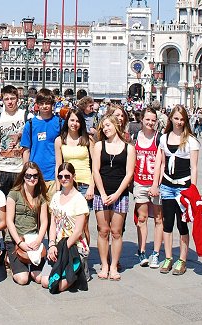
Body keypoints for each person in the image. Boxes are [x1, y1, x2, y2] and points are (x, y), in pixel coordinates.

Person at [149, 105, 199, 275]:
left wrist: (193, 190)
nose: (179, 122)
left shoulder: (191, 140)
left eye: (182, 119)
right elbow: (161, 163)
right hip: (167, 185)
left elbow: (194, 168)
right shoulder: (164, 138)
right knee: (167, 223)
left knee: (182, 224)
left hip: (183, 187)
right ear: (170, 118)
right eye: (176, 118)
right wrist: (156, 183)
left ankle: (182, 260)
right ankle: (169, 257)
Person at [92, 114, 136, 281]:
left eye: (108, 125)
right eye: (103, 127)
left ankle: (114, 265)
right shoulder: (98, 146)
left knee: (116, 232)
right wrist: (102, 193)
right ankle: (104, 265)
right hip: (101, 193)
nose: (106, 129)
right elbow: (95, 170)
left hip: (120, 194)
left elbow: (129, 174)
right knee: (103, 231)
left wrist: (117, 194)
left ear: (117, 126)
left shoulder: (129, 148)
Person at [41, 162, 90, 290]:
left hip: (74, 245)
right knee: (45, 281)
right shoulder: (56, 197)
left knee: (56, 286)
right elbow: (53, 224)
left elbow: (78, 231)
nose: (63, 179)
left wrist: (63, 249)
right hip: (58, 244)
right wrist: (51, 244)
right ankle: (74, 273)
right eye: (60, 177)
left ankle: (79, 271)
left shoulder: (79, 199)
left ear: (73, 176)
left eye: (67, 176)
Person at [54, 108, 94, 245]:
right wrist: (58, 187)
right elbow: (58, 164)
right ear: (67, 121)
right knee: (68, 222)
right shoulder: (60, 140)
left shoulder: (88, 140)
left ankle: (84, 254)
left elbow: (95, 166)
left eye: (77, 121)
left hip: (84, 184)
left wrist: (91, 187)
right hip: (67, 184)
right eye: (72, 120)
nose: (74, 123)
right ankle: (71, 251)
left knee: (83, 225)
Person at [5, 162, 48, 285]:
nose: (31, 179)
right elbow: (9, 220)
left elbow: (44, 221)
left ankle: (26, 264)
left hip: (33, 238)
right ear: (23, 176)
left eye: (35, 176)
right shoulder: (14, 193)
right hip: (16, 239)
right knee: (23, 279)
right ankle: (9, 259)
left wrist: (39, 240)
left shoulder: (40, 196)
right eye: (28, 176)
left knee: (39, 278)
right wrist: (19, 242)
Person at [133, 107, 163, 268]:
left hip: (156, 184)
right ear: (142, 120)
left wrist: (156, 184)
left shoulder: (159, 138)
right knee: (142, 218)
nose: (150, 123)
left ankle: (156, 253)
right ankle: (142, 250)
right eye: (147, 119)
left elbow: (163, 163)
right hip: (140, 182)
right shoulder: (135, 136)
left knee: (159, 219)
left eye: (153, 120)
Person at [21, 88, 62, 197]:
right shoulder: (30, 125)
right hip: (35, 174)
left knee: (52, 210)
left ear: (52, 104)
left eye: (48, 103)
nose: (45, 106)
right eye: (42, 103)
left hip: (53, 174)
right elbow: (26, 150)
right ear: (37, 104)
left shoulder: (59, 122)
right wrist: (26, 172)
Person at [0, 85, 27, 196]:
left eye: (12, 98)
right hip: (2, 167)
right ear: (2, 100)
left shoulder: (25, 115)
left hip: (19, 168)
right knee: (1, 204)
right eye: (6, 99)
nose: (10, 102)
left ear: (17, 99)